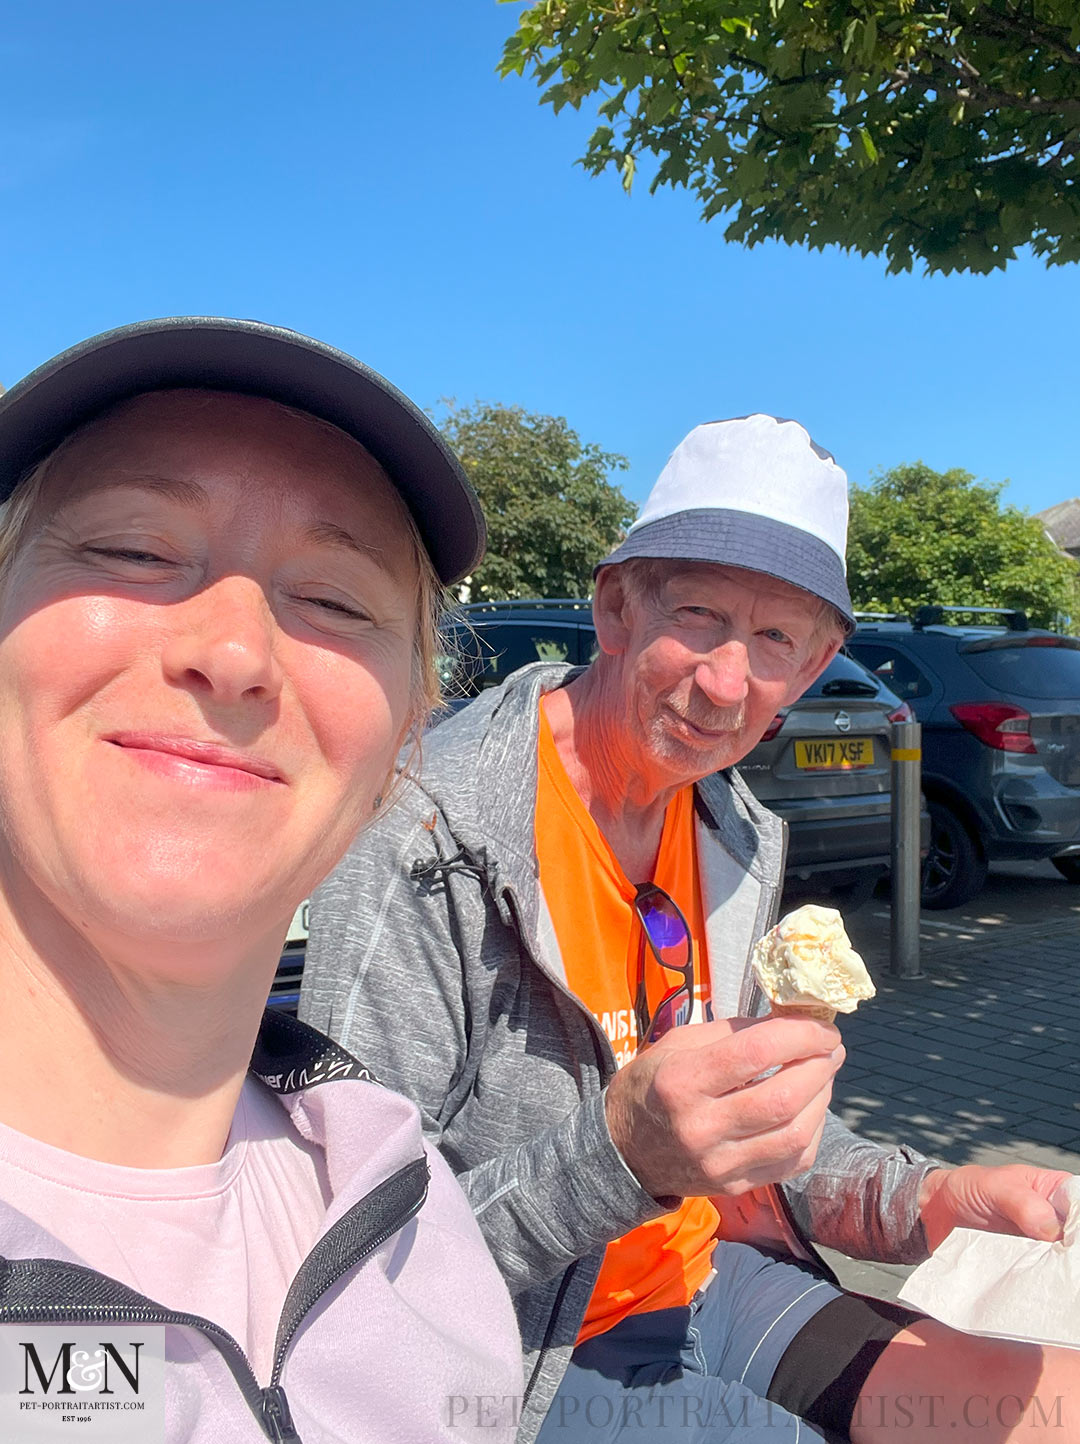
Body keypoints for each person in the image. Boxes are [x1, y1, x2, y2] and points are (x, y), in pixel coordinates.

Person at [301, 415, 1076, 1444]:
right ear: (616, 606)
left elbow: (745, 1134)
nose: (725, 681)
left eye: (773, 641)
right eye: (700, 616)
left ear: (817, 664)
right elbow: (349, 1259)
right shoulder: (423, 836)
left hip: (711, 1279)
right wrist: (620, 1155)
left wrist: (929, 1192)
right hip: (516, 1354)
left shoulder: (733, 831)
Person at [0, 318, 521, 1444]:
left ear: (398, 753)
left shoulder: (408, 1206)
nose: (233, 652)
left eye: (336, 601)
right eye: (134, 549)